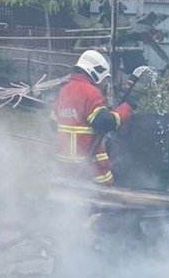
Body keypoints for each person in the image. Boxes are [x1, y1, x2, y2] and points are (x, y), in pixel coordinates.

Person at [52, 49, 137, 186]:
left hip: (66, 165)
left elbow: (53, 123)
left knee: (71, 198)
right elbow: (104, 122)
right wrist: (126, 108)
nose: (101, 83)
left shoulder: (64, 91)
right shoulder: (90, 92)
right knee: (106, 199)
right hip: (91, 167)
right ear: (95, 71)